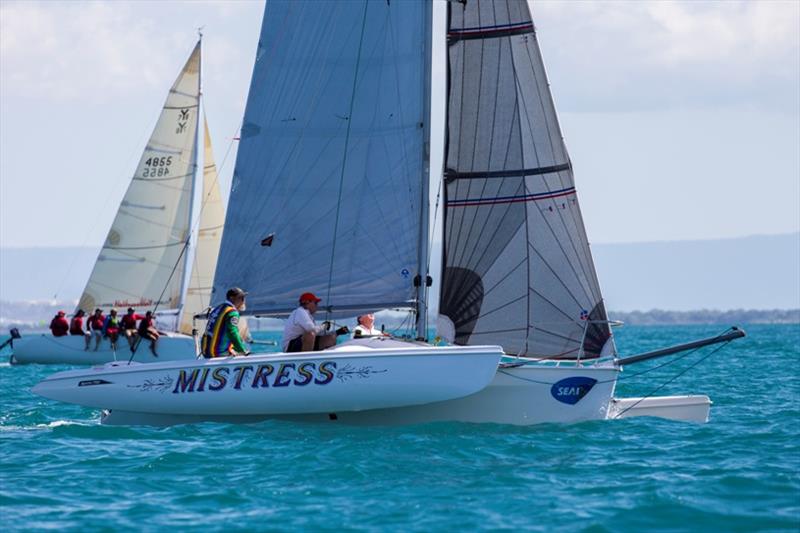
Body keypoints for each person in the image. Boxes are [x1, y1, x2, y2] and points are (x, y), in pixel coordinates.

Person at [283, 292, 348, 353]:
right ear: (307, 302)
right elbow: (311, 329)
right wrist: (324, 326)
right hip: (290, 348)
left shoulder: (309, 316)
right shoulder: (300, 311)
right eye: (316, 303)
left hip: (302, 345)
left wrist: (337, 332)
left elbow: (319, 333)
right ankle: (306, 360)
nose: (317, 306)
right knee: (310, 334)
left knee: (331, 337)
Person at [201, 287, 250, 358]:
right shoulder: (232, 312)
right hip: (218, 354)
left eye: (244, 298)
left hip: (207, 352)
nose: (243, 301)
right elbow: (232, 332)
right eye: (241, 298)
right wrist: (241, 350)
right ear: (232, 298)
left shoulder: (218, 308)